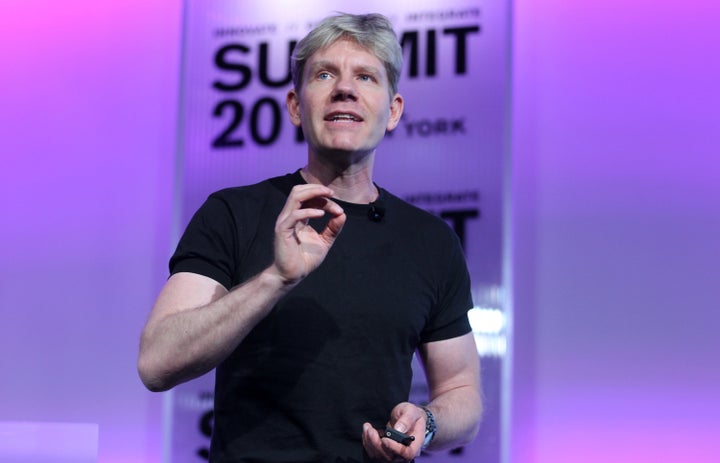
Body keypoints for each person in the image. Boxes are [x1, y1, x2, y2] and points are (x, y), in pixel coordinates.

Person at [138, 12, 482, 463]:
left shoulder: (431, 240)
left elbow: (463, 393)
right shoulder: (233, 213)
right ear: (296, 106)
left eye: (365, 76)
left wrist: (428, 421)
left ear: (393, 110)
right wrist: (275, 279)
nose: (344, 88)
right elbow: (156, 362)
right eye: (324, 74)